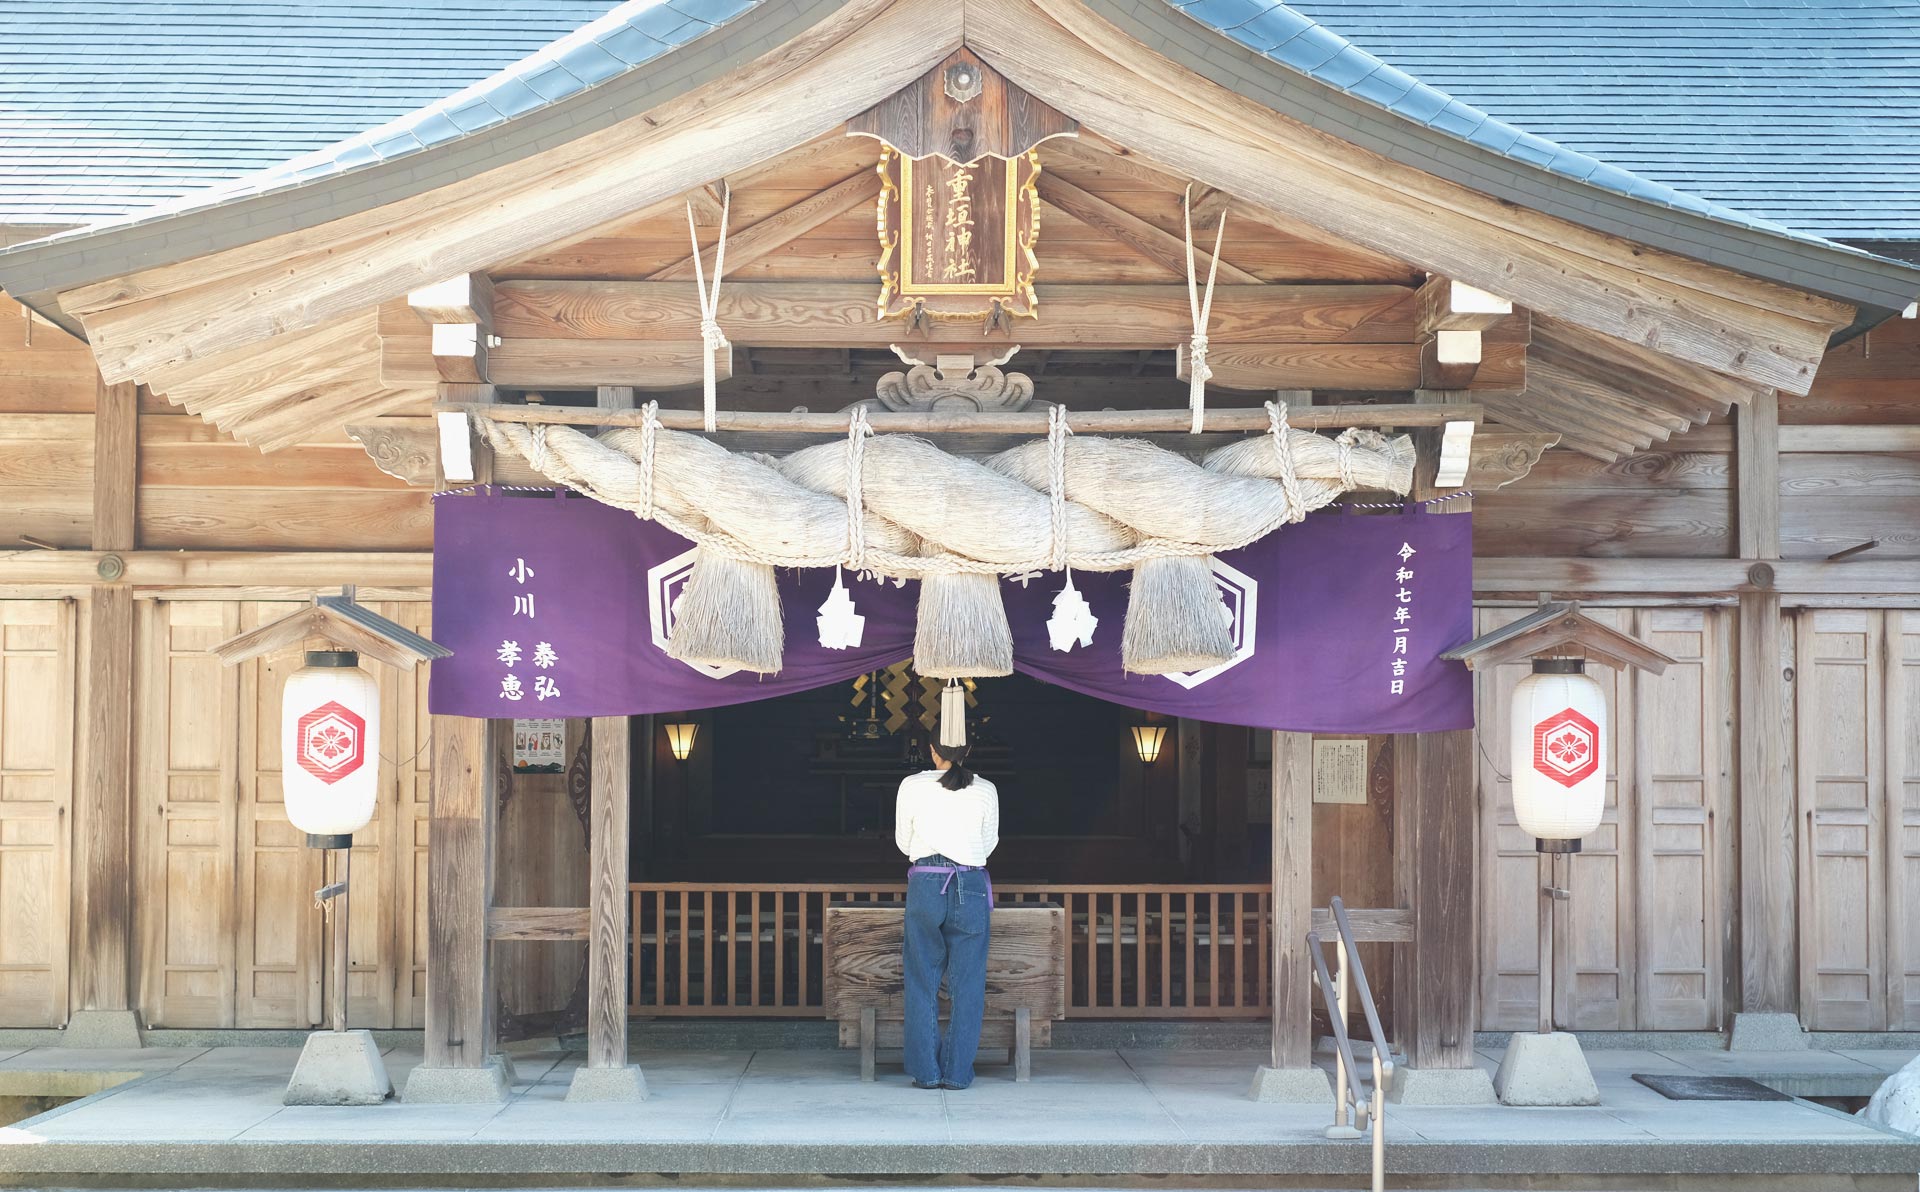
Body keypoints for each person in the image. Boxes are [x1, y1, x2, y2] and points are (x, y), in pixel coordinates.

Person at [894, 739, 1000, 1090]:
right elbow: (987, 846)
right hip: (969, 883)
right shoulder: (986, 789)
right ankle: (957, 1073)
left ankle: (926, 1072)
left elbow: (904, 844)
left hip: (926, 883)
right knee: (968, 983)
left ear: (931, 749)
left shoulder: (911, 786)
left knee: (922, 977)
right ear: (968, 751)